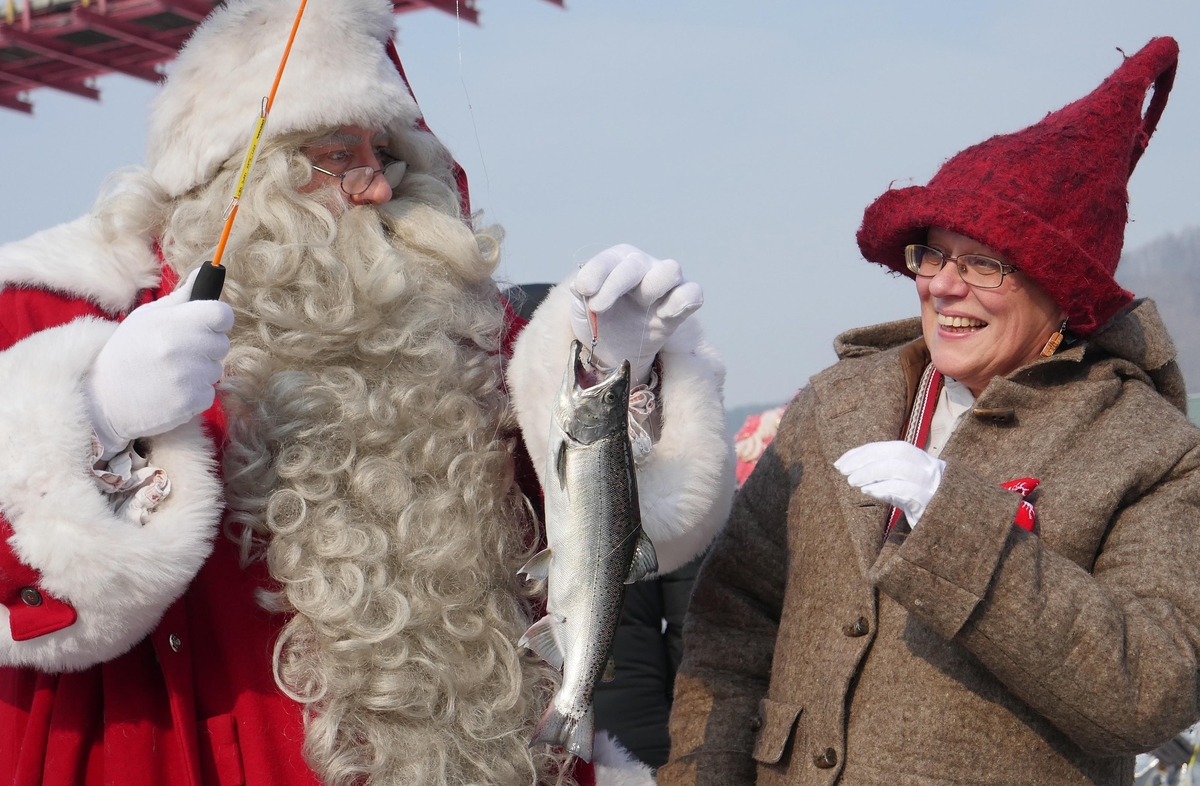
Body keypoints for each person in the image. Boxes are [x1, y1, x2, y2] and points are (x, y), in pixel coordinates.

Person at [0, 1, 736, 784]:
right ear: (242, 174)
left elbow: (608, 530)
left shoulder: (457, 334)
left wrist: (613, 373)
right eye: (336, 154)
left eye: (384, 154)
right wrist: (97, 418)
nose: (379, 189)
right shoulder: (61, 310)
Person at [662, 36, 1200, 786]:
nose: (945, 286)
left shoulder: (1149, 449)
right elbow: (732, 625)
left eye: (985, 262)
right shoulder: (835, 404)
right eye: (934, 254)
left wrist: (961, 532)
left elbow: (1153, 688)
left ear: (1063, 292)